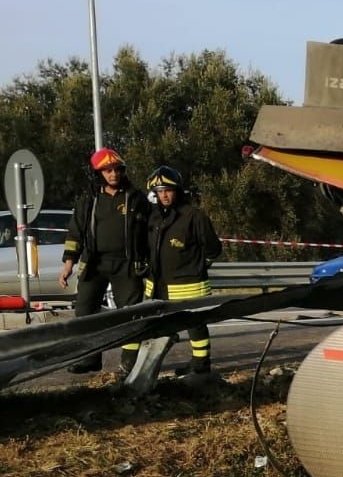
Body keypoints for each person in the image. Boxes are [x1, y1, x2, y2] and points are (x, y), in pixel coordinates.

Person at [60, 148, 149, 374]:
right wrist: (69, 263)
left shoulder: (136, 198)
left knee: (131, 313)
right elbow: (75, 232)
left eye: (117, 170)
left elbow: (151, 230)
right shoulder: (89, 200)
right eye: (108, 171)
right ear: (98, 174)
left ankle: (130, 363)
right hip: (94, 264)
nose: (114, 175)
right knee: (85, 311)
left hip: (127, 265)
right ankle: (89, 359)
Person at [144, 165, 222, 377]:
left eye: (168, 190)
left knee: (195, 325)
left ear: (177, 190)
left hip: (189, 284)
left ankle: (200, 364)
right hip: (159, 284)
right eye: (159, 191)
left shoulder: (194, 216)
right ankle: (145, 367)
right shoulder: (155, 218)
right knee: (155, 327)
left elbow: (213, 249)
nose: (164, 195)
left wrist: (198, 264)